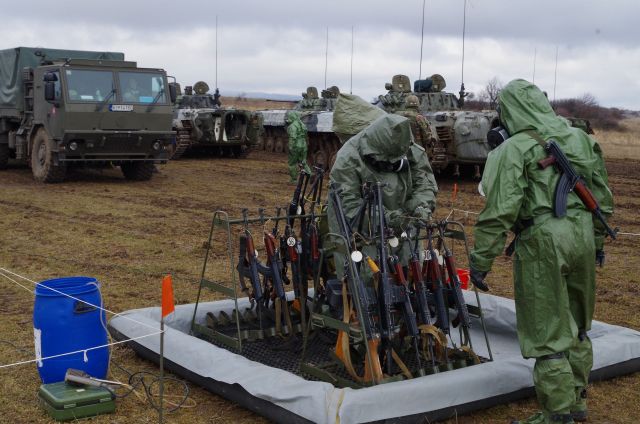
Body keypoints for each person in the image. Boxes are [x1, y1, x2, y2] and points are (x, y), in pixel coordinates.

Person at [469, 79, 613, 424]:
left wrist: (481, 260)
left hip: (542, 240)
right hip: (582, 232)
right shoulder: (579, 138)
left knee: (546, 331)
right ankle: (576, 403)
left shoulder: (513, 149)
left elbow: (499, 211)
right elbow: (602, 196)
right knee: (578, 324)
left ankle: (557, 414)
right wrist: (596, 242)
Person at [328, 113, 438, 272]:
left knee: (410, 270)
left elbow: (425, 184)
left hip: (404, 226)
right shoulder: (348, 159)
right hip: (361, 233)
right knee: (367, 276)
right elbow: (350, 207)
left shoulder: (407, 147)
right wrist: (389, 218)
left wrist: (419, 207)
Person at [285, 111, 311, 182]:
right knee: (303, 162)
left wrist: (290, 147)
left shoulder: (292, 126)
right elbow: (306, 135)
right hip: (303, 144)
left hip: (296, 145)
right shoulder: (302, 124)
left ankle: (293, 179)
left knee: (292, 163)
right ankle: (310, 175)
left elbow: (293, 137)